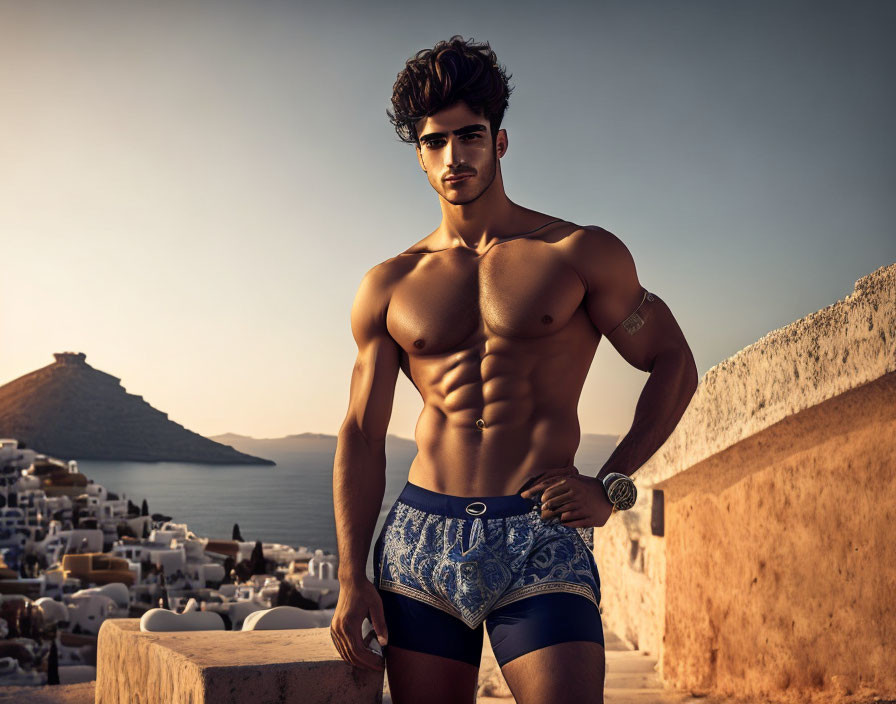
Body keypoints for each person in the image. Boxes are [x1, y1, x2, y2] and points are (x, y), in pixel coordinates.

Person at [330, 35, 699, 704]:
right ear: (418, 154)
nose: (453, 156)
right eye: (435, 142)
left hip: (541, 534)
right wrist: (351, 575)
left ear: (500, 142)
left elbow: (673, 361)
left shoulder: (578, 253)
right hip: (420, 543)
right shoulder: (389, 285)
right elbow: (361, 433)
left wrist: (612, 484)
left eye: (469, 137)